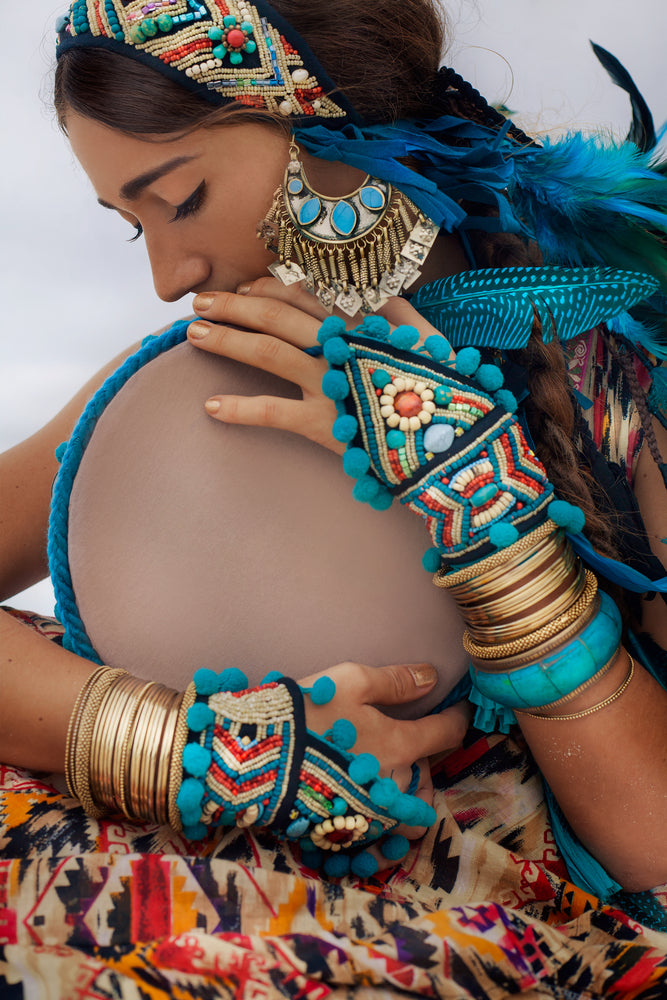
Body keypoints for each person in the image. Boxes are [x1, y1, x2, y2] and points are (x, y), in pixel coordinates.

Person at [1, 0, 667, 962]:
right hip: (146, 856)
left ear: (324, 128)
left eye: (180, 199)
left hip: (455, 929)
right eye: (126, 225)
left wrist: (486, 513)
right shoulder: (183, 378)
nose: (166, 273)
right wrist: (200, 755)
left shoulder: (623, 381)